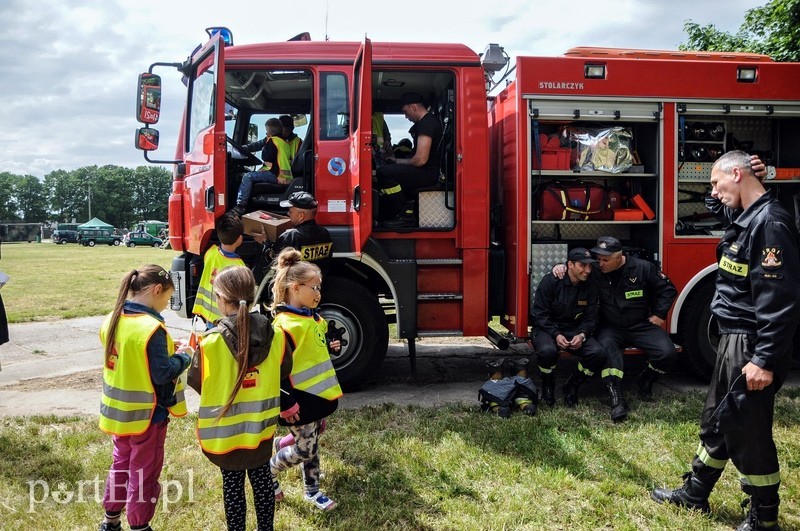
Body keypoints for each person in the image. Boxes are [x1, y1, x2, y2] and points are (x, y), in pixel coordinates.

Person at [652, 150, 800, 530]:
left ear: (736, 174)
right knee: (718, 419)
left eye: (717, 184)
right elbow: (716, 200)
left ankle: (764, 516)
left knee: (746, 431)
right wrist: (729, 183)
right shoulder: (744, 214)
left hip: (751, 345)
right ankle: (696, 493)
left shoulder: (770, 225)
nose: (713, 193)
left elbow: (778, 301)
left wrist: (764, 359)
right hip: (732, 340)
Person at [190, 265, 292, 531]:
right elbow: (284, 371)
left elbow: (198, 382)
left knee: (232, 487)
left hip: (227, 437)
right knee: (262, 483)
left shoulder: (210, 342)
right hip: (261, 431)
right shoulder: (277, 335)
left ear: (223, 300)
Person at [97, 265, 192, 531]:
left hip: (117, 414)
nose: (165, 306)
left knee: (120, 465)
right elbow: (163, 374)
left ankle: (110, 521)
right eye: (166, 299)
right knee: (143, 474)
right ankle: (139, 526)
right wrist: (185, 356)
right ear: (157, 290)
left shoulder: (112, 318)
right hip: (149, 416)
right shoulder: (152, 328)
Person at [552, 236, 678, 422]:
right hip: (610, 327)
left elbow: (668, 289)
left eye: (605, 260)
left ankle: (647, 379)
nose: (599, 263)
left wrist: (659, 314)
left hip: (640, 325)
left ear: (619, 257)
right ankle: (616, 401)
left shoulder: (643, 268)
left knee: (667, 354)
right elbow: (575, 269)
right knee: (608, 356)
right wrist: (560, 266)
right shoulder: (594, 269)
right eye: (598, 258)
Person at [269, 248, 343, 511]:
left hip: (316, 397)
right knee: (305, 449)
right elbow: (276, 371)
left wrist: (329, 345)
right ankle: (268, 472)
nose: (318, 293)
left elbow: (314, 348)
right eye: (314, 287)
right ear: (296, 288)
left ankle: (312, 490)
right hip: (299, 401)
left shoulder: (313, 317)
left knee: (312, 443)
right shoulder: (284, 327)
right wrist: (287, 404)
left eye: (319, 287)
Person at [531, 248, 605, 408]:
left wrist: (582, 335)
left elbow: (592, 317)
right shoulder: (551, 282)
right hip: (547, 328)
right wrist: (556, 334)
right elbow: (540, 314)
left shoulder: (590, 286)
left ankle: (572, 385)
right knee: (547, 351)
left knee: (598, 354)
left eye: (590, 266)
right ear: (570, 264)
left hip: (575, 329)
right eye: (582, 266)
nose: (587, 270)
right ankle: (548, 385)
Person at [376, 92, 443, 228]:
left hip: (429, 174)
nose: (406, 116)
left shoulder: (427, 124)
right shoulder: (428, 122)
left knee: (384, 173)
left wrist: (397, 161)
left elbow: (420, 160)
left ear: (413, 107)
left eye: (405, 112)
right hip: (427, 171)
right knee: (389, 171)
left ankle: (406, 213)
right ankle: (395, 210)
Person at [253, 192, 333, 282]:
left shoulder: (291, 236)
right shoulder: (325, 234)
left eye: (290, 211)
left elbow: (273, 262)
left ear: (301, 216)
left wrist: (264, 243)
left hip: (294, 290)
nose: (288, 214)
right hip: (316, 288)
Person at [192, 212, 246, 327]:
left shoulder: (211, 252)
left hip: (209, 315)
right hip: (224, 318)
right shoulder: (239, 265)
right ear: (240, 239)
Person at [234, 118, 293, 213]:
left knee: (247, 177)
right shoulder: (285, 143)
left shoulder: (272, 140)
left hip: (274, 174)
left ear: (269, 132)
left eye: (266, 132)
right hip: (285, 176)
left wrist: (266, 145)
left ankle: (241, 204)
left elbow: (266, 157)